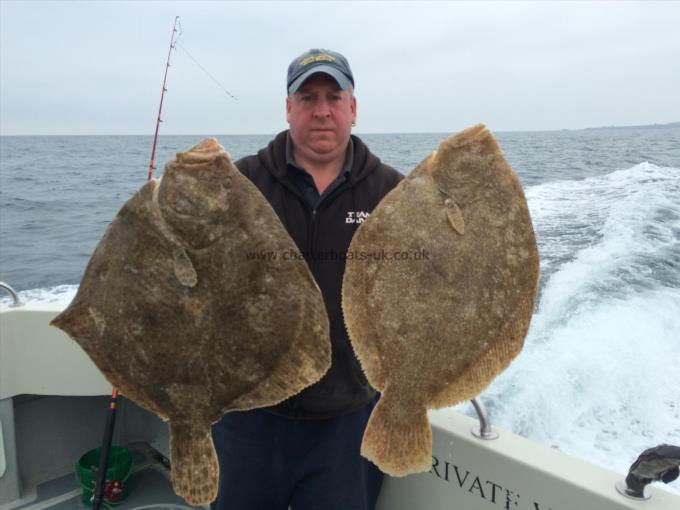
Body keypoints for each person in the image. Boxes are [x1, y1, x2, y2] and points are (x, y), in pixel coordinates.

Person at [211, 48, 403, 510]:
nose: (322, 111)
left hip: (348, 417)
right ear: (288, 107)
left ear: (353, 109)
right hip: (248, 415)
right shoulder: (240, 182)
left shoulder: (393, 193)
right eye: (308, 97)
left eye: (334, 98)